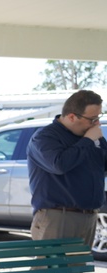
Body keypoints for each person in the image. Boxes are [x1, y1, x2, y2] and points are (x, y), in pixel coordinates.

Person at [27, 90, 106, 247]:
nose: (96, 124)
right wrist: (88, 140)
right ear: (72, 116)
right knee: (49, 270)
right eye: (92, 119)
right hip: (58, 216)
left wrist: (100, 141)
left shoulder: (90, 138)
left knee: (76, 270)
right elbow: (59, 165)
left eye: (98, 118)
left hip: (88, 217)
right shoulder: (45, 137)